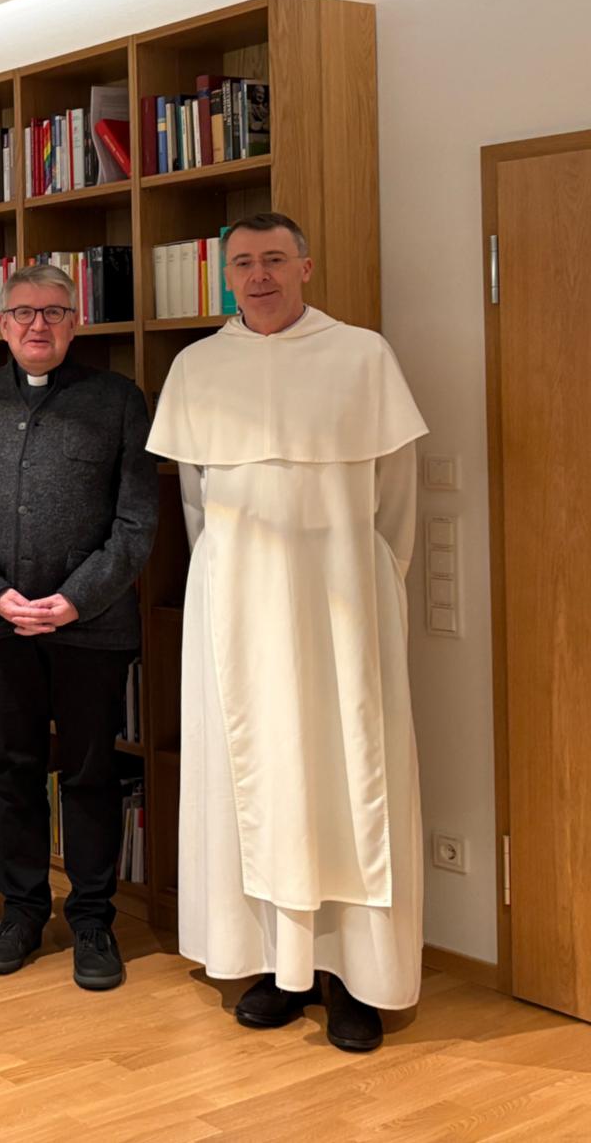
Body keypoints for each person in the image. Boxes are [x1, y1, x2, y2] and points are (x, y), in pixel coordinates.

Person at [148, 212, 426, 1053]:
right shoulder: (198, 367)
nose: (258, 275)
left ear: (307, 264)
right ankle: (278, 967)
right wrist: (240, 590)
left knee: (351, 782)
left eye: (274, 260)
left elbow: (397, 503)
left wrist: (360, 588)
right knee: (253, 778)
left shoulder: (362, 356)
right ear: (225, 275)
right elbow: (199, 509)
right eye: (243, 263)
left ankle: (356, 981)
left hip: (345, 605)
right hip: (236, 612)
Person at [0, 263, 158, 991]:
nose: (38, 325)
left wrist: (76, 599)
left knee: (92, 775)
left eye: (53, 312)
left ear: (74, 322)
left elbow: (137, 519)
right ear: (2, 325)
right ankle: (24, 911)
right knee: (13, 771)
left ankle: (93, 917)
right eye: (23, 313)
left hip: (91, 628)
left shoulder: (119, 401)